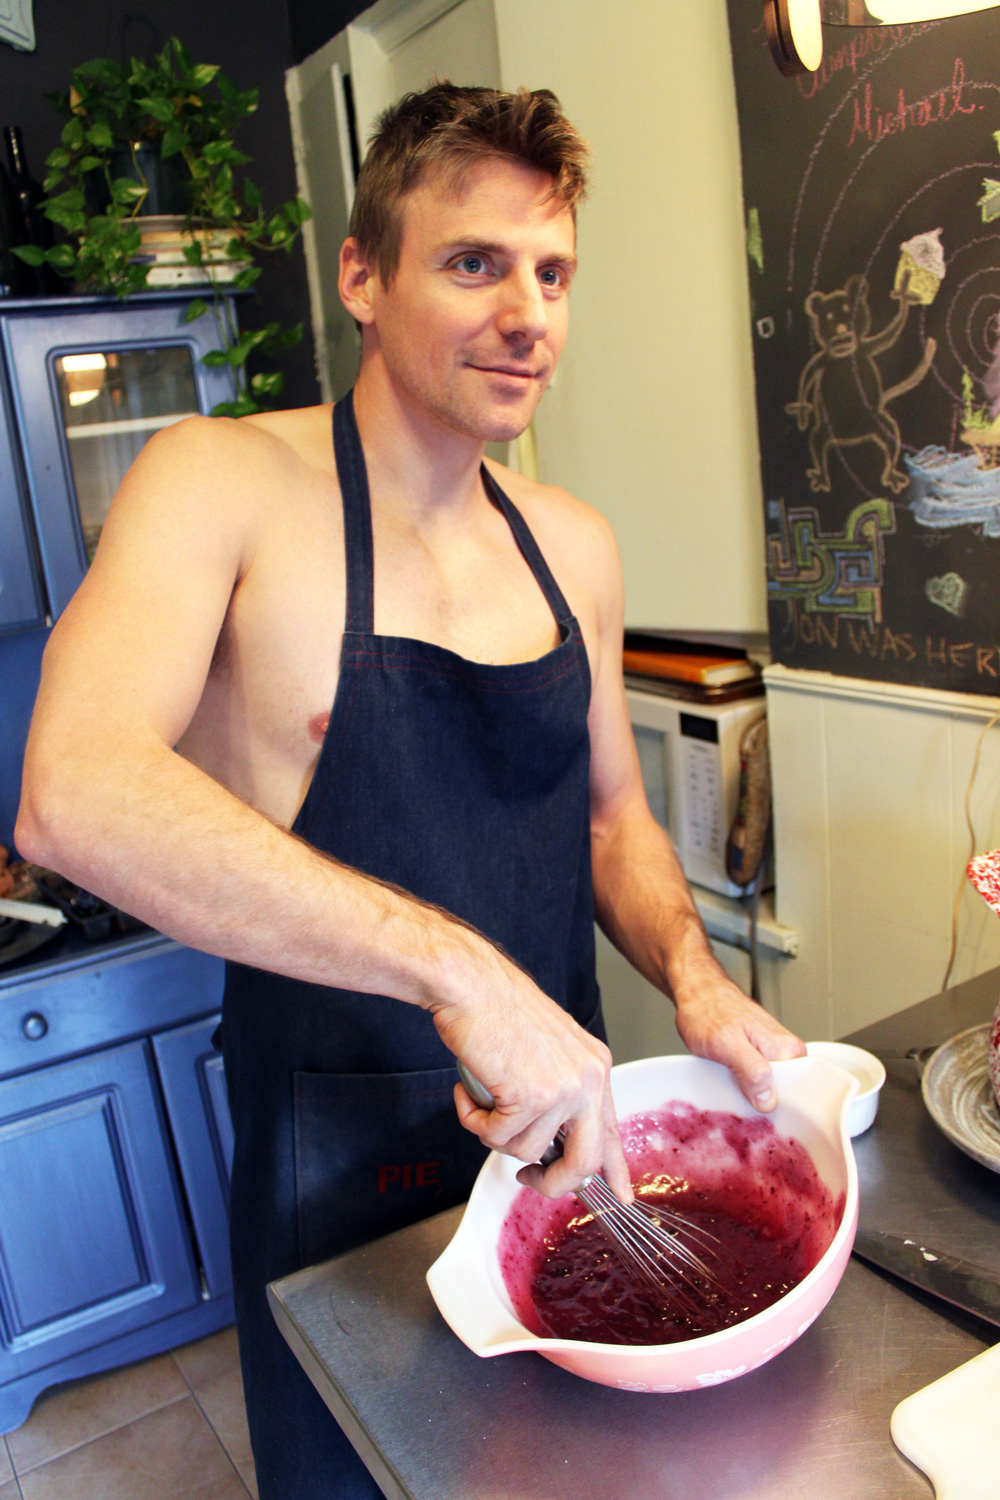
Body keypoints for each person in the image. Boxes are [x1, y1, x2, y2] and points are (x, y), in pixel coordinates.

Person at [16, 83, 805, 1499]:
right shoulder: (220, 485)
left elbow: (614, 819)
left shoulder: (574, 544)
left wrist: (692, 975)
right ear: (363, 277)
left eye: (553, 273)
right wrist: (465, 975)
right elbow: (72, 792)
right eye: (474, 262)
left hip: (565, 1134)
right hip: (340, 1175)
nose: (528, 313)